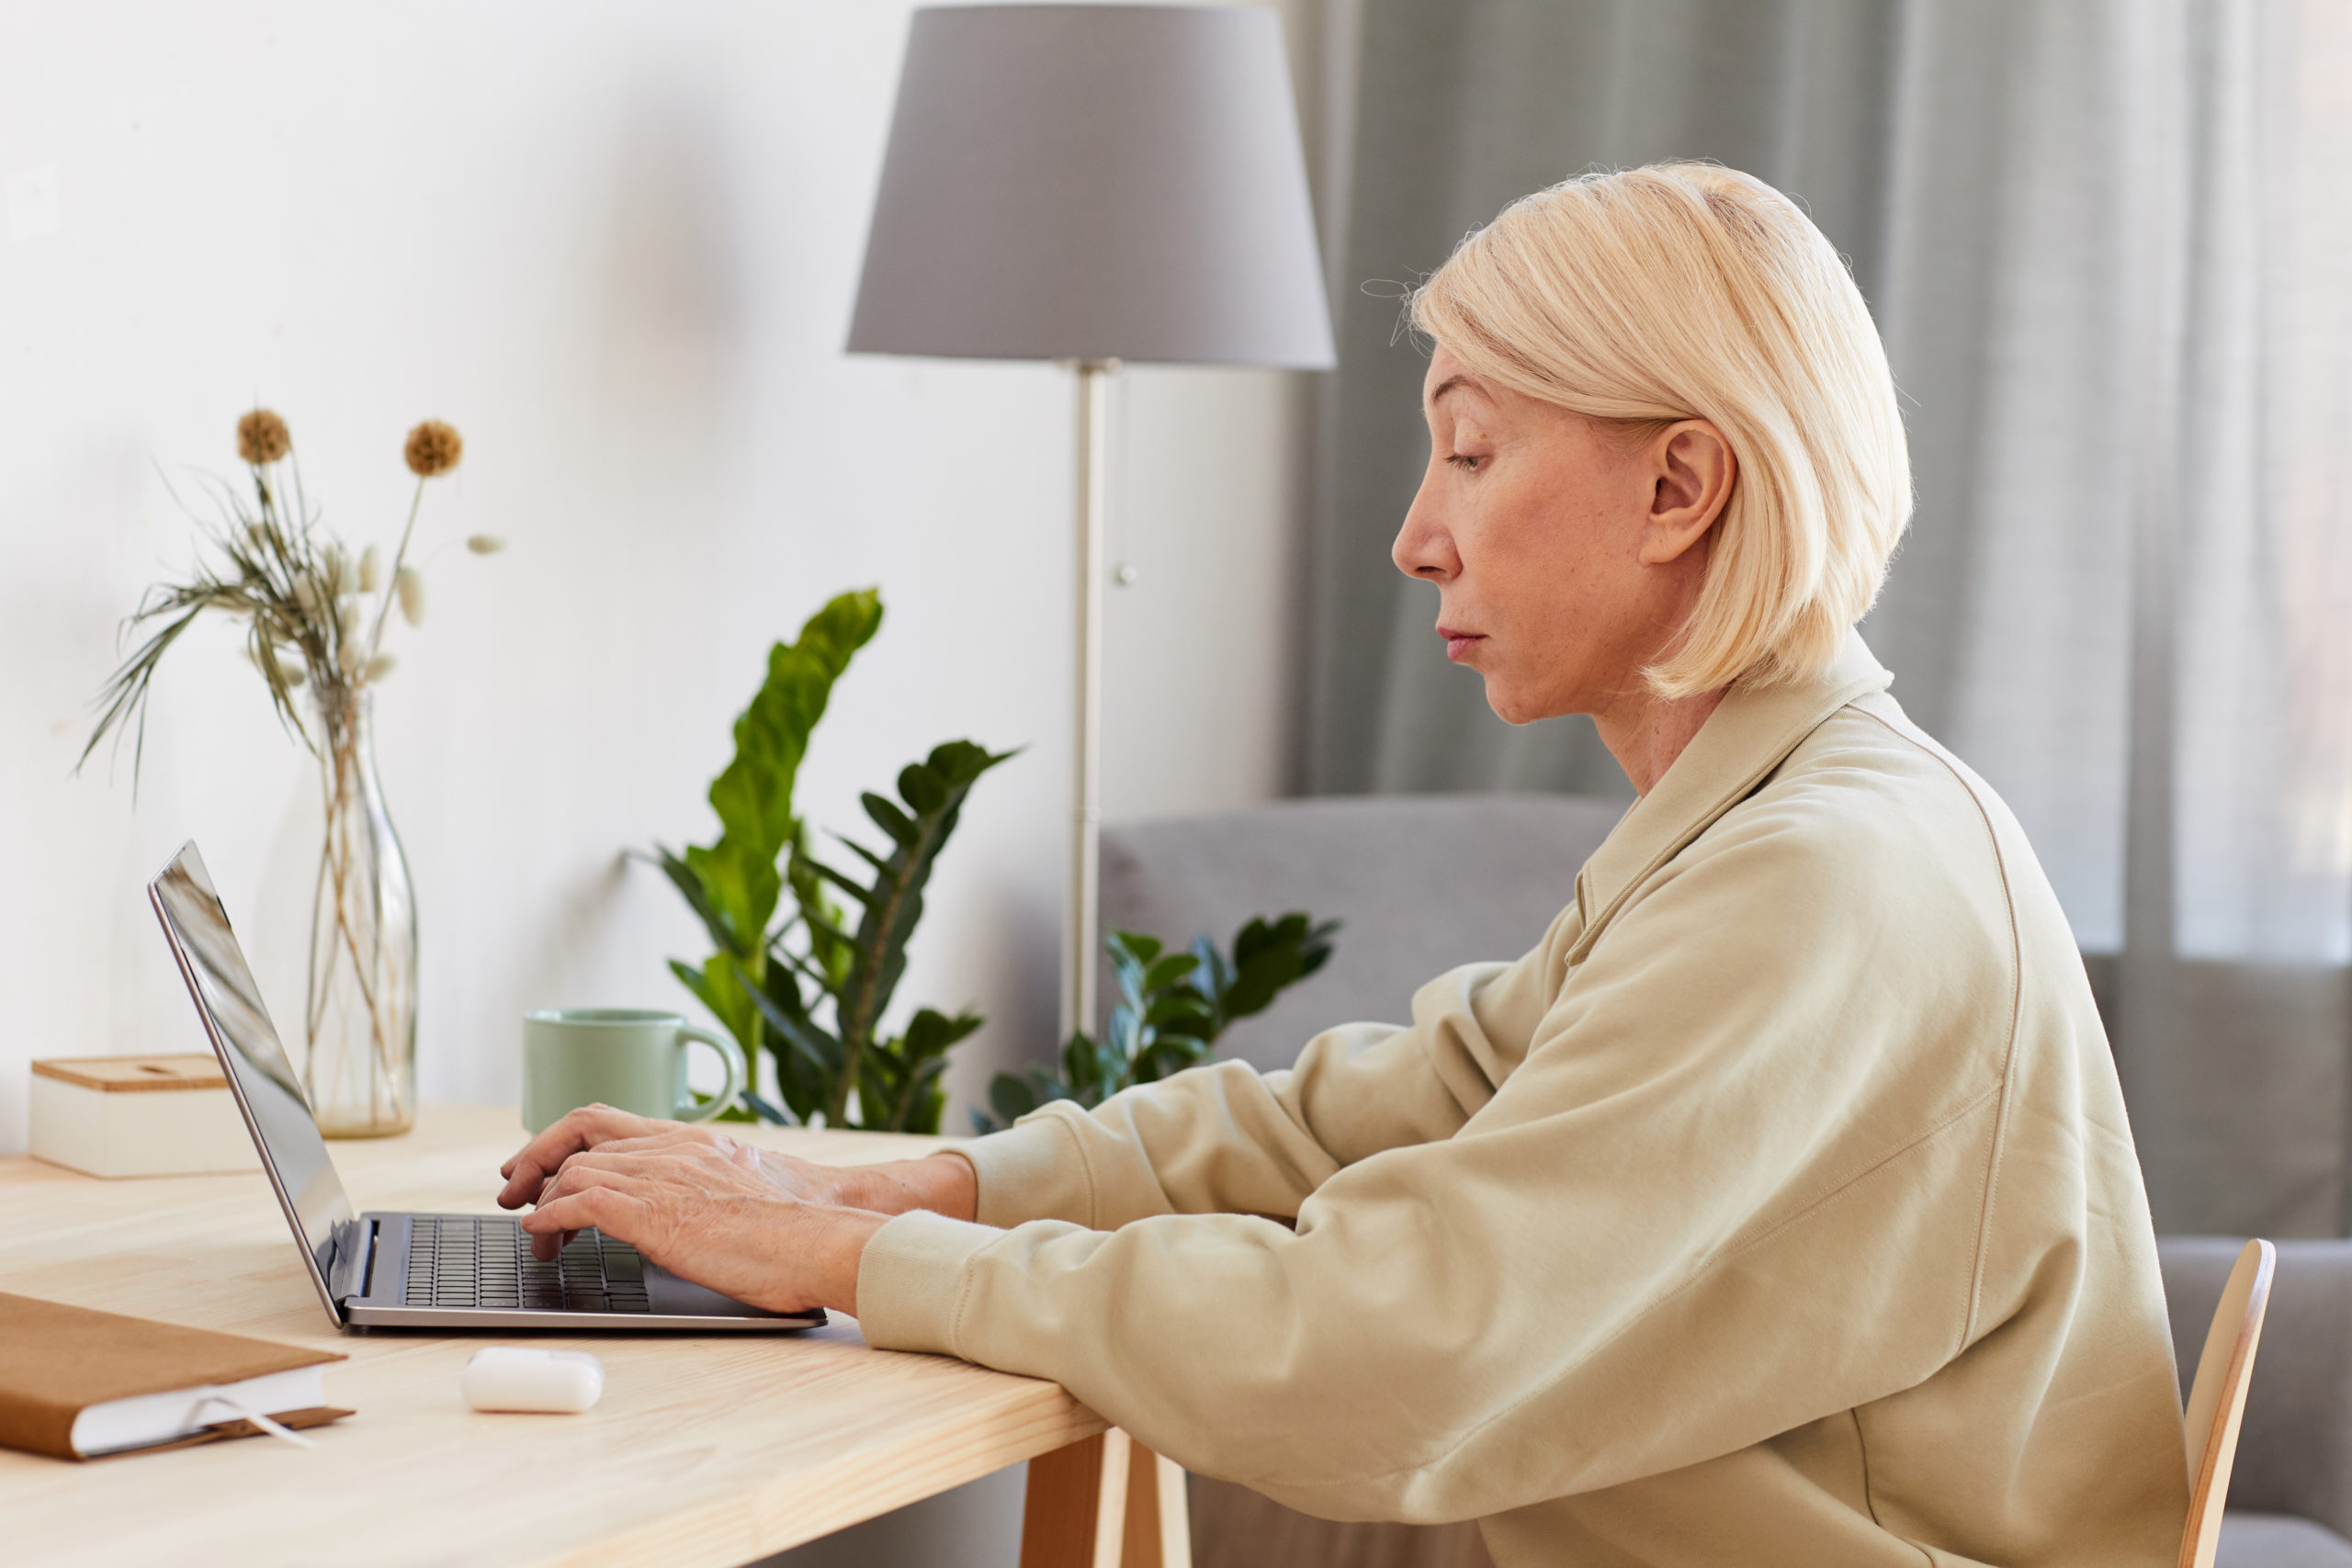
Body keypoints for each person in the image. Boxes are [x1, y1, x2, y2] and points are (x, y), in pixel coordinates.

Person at [498, 164, 2188, 1566]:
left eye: (1470, 448)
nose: (1415, 532)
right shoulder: (1775, 817)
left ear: (1682, 484)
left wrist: (849, 1267)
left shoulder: (1818, 882)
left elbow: (1399, 1346)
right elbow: (1380, 1109)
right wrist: (911, 1189)